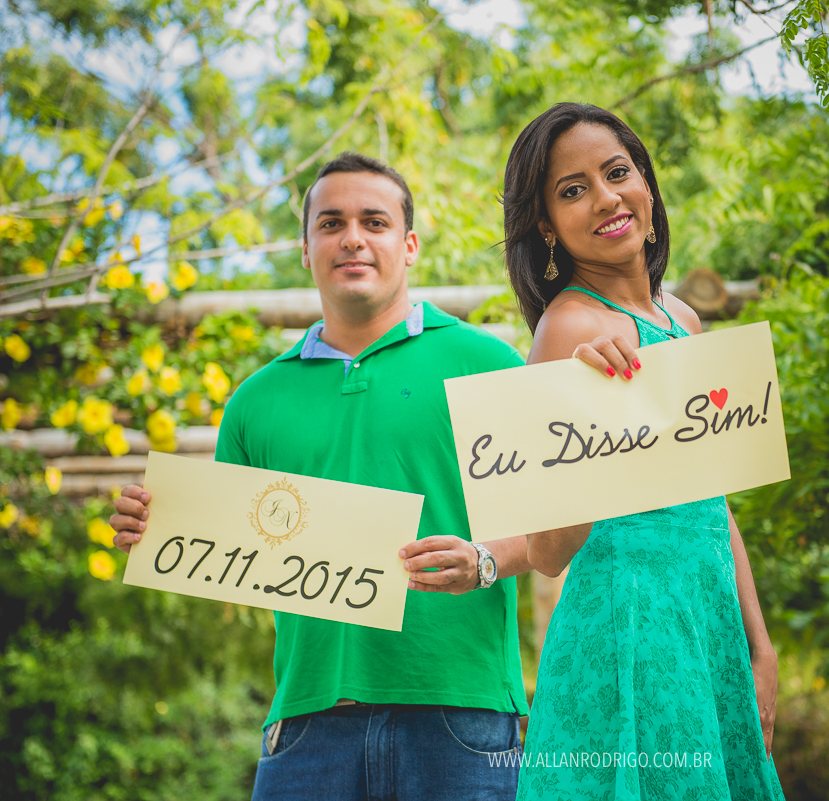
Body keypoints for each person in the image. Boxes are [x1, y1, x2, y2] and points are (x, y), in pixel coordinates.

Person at [111, 152, 543, 801]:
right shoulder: (254, 401)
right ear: (306, 249)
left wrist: (484, 560)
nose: (352, 238)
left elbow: (563, 522)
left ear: (410, 245)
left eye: (375, 221)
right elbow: (232, 555)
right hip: (307, 725)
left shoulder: (487, 362)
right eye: (331, 223)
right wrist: (156, 526)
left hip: (463, 717)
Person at [502, 103, 785, 800]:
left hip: (709, 614)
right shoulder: (567, 329)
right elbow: (547, 552)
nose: (605, 198)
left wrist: (759, 643)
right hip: (628, 624)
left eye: (617, 172)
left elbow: (713, 501)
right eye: (573, 190)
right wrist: (592, 411)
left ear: (647, 186)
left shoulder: (685, 320)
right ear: (547, 226)